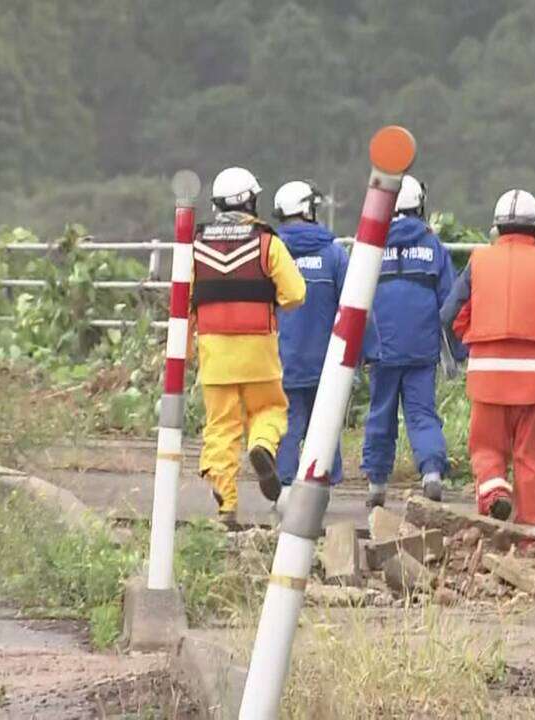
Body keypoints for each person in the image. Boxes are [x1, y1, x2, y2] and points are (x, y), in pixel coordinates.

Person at [440, 189, 535, 527]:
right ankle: (527, 536)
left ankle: (495, 498)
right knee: (531, 458)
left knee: (487, 449)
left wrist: (474, 339)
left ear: (497, 227)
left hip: (488, 377)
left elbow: (450, 314)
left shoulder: (479, 262)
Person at [192, 167, 306, 524]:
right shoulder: (267, 242)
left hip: (214, 353)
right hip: (258, 348)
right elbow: (296, 294)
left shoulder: (196, 244)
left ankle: (226, 505)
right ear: (251, 200)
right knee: (269, 409)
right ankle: (262, 446)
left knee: (220, 427)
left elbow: (182, 301)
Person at [361, 174, 455, 508]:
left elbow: (356, 297)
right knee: (422, 413)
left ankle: (376, 484)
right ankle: (431, 473)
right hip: (421, 347)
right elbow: (450, 299)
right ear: (420, 206)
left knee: (380, 412)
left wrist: (360, 349)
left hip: (381, 346)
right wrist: (455, 353)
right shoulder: (433, 246)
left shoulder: (371, 243)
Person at [271, 181, 349, 506]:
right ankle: (321, 489)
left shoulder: (271, 252)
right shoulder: (334, 254)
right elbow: (353, 306)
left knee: (288, 424)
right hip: (326, 361)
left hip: (281, 359)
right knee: (325, 422)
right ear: (307, 209)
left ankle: (285, 491)